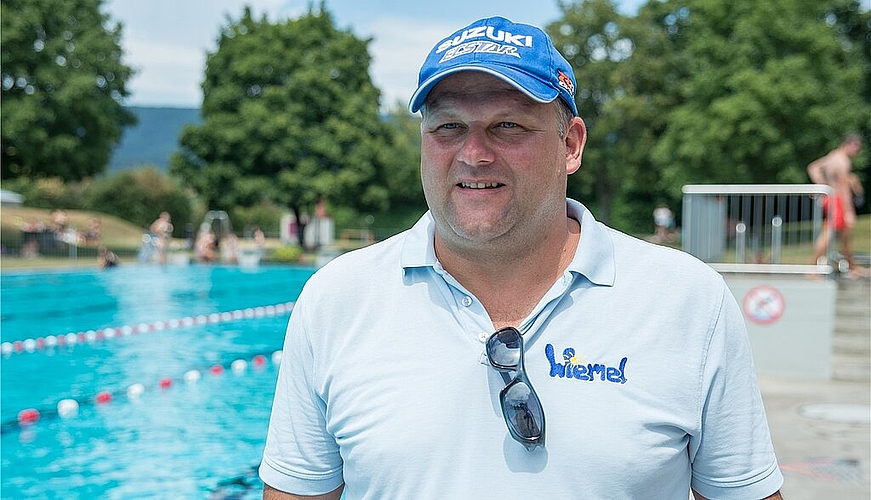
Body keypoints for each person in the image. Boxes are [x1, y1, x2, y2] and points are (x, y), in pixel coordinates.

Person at [260, 17, 783, 500]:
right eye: (448, 127)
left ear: (570, 145)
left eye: (508, 126)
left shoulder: (686, 302)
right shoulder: (337, 300)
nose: (473, 153)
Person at [807, 134, 866, 276]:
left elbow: (813, 167)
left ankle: (852, 266)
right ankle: (811, 268)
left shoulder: (832, 156)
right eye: (857, 149)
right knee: (829, 233)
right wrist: (848, 211)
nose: (857, 153)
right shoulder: (843, 161)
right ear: (849, 144)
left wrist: (822, 184)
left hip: (830, 197)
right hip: (838, 200)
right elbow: (844, 188)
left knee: (845, 236)